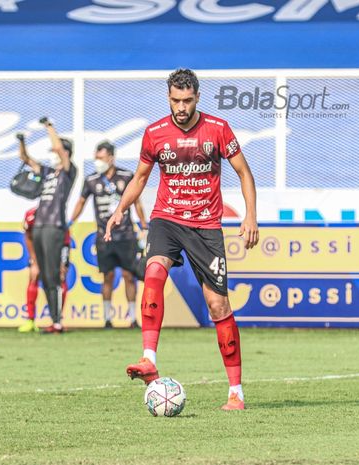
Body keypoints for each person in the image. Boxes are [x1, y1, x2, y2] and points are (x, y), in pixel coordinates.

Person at [104, 69, 259, 410]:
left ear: (198, 98)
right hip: (167, 219)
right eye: (175, 100)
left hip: (205, 226)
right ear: (168, 97)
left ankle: (236, 392)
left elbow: (244, 172)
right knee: (154, 273)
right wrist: (120, 209)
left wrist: (250, 215)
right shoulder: (155, 133)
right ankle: (148, 358)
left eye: (187, 100)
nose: (181, 107)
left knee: (218, 305)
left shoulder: (217, 130)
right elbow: (141, 177)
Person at [69, 141, 148, 329]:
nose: (98, 162)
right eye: (96, 158)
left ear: (111, 157)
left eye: (101, 158)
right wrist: (71, 221)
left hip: (126, 235)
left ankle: (132, 318)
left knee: (130, 275)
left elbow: (136, 202)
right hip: (104, 236)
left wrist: (143, 224)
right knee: (108, 276)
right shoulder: (91, 179)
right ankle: (106, 318)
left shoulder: (126, 176)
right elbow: (81, 202)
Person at [18, 118, 76, 334]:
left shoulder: (70, 172)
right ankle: (53, 320)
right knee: (44, 276)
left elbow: (59, 149)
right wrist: (22, 142)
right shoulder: (47, 173)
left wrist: (49, 127)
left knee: (54, 276)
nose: (54, 153)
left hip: (55, 227)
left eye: (59, 151)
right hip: (41, 226)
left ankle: (57, 321)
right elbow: (25, 158)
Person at [18, 207, 73, 333]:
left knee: (60, 278)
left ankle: (57, 321)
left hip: (59, 248)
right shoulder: (31, 215)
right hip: (39, 250)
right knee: (34, 275)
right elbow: (28, 236)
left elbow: (65, 241)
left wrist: (61, 264)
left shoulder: (59, 216)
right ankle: (30, 320)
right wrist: (34, 260)